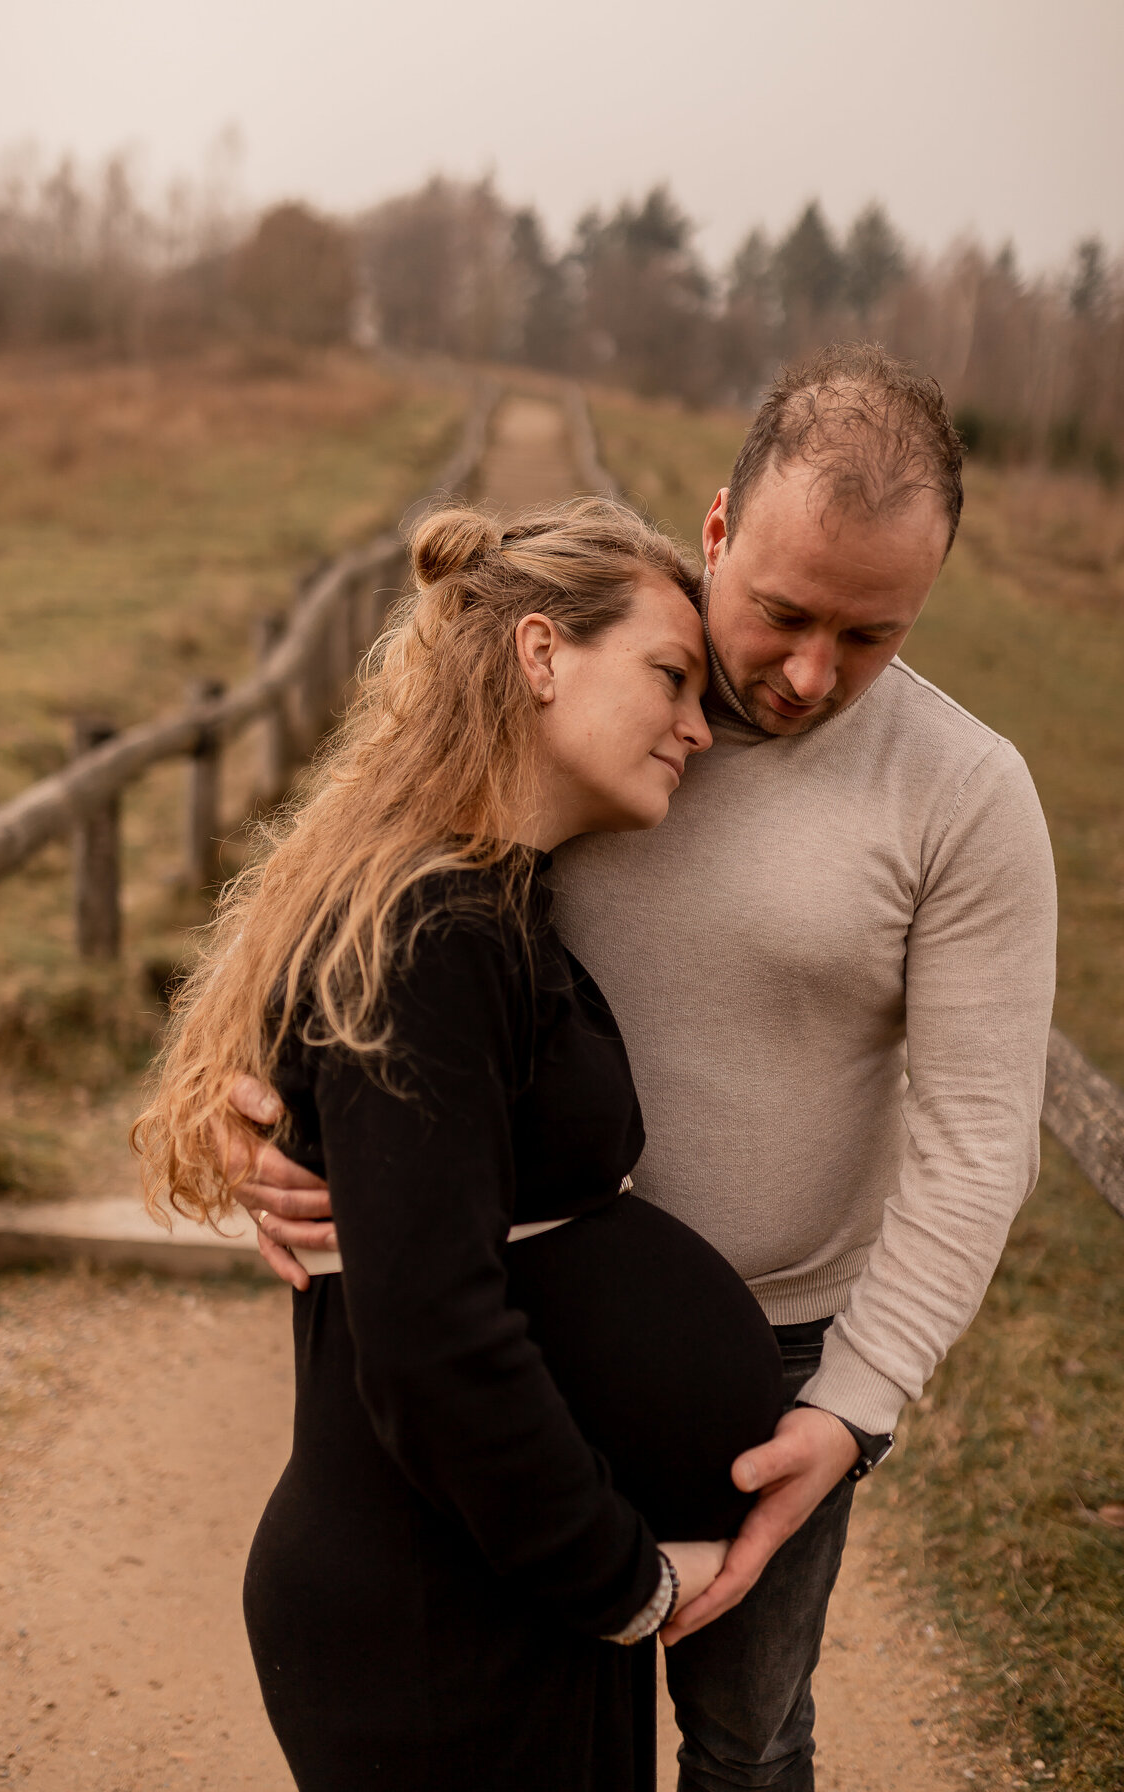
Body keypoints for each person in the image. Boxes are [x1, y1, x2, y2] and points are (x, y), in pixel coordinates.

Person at [228, 342, 1059, 1789]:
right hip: (512, 1340)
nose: (809, 676)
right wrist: (269, 1112)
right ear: (719, 525)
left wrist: (853, 1412)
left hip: (783, 1379)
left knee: (744, 1744)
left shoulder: (967, 796)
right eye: (786, 615)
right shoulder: (599, 678)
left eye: (870, 638)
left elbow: (980, 1138)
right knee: (533, 1718)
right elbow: (359, 890)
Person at [134, 499, 786, 1791]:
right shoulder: (440, 930)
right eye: (671, 677)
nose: (700, 728)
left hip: (491, 1589)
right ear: (541, 656)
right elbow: (430, 1333)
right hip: (440, 1624)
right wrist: (624, 1579)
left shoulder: (488, 896)